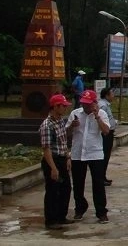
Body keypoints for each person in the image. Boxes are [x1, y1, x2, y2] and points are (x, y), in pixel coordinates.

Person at [66, 90, 111, 224]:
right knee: (78, 184)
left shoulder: (102, 113)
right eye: (84, 104)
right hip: (78, 153)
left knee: (98, 184)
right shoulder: (75, 114)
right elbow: (66, 132)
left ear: (94, 103)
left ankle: (101, 212)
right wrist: (71, 127)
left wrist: (97, 117)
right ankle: (80, 208)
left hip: (95, 153)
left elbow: (106, 131)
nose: (86, 107)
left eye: (88, 104)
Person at [39, 94, 74, 230]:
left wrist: (68, 158)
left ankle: (61, 216)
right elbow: (46, 149)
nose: (65, 109)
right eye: (63, 106)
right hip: (52, 160)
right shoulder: (47, 125)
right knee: (53, 191)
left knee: (65, 189)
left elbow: (63, 142)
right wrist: (53, 168)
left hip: (62, 159)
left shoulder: (60, 121)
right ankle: (51, 220)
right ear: (55, 107)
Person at [98, 88, 117, 186]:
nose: (113, 95)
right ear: (106, 95)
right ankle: (101, 177)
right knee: (104, 155)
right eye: (112, 94)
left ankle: (103, 176)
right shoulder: (103, 106)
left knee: (106, 155)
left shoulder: (105, 105)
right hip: (105, 134)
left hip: (109, 132)